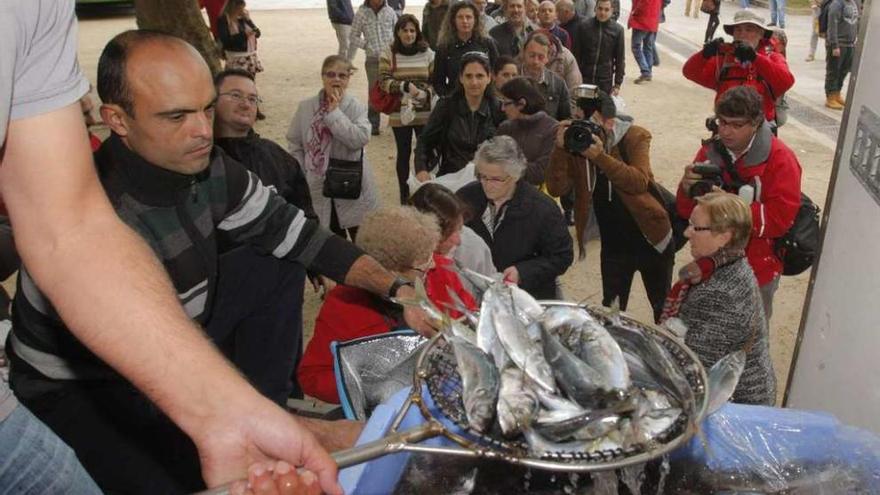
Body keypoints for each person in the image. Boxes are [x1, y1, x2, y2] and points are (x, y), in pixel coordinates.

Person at [9, 30, 433, 494]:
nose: (203, 130)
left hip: (180, 326)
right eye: (176, 115)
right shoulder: (93, 213)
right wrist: (317, 434)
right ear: (117, 120)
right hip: (88, 385)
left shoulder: (210, 166)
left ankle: (269, 405)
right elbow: (155, 375)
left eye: (207, 108)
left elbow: (304, 236)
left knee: (276, 258)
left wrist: (399, 290)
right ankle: (270, 425)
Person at [546, 89, 673, 321]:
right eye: (579, 121)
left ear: (610, 121)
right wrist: (560, 149)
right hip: (615, 247)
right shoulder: (576, 145)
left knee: (662, 309)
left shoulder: (635, 136)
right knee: (612, 313)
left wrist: (600, 157)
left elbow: (639, 182)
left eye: (591, 123)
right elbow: (557, 189)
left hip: (652, 239)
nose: (585, 129)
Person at [676, 86, 801, 321]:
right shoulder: (709, 152)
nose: (726, 132)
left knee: (747, 339)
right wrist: (685, 188)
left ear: (755, 124)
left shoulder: (781, 159)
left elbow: (780, 221)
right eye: (722, 122)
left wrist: (727, 207)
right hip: (709, 262)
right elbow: (685, 211)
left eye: (736, 125)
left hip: (756, 268)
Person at [298, 206, 441, 404]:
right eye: (423, 263)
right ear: (391, 272)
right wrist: (371, 388)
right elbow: (312, 377)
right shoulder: (344, 307)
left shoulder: (434, 275)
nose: (432, 265)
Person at [661, 192, 777, 405]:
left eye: (696, 227)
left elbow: (694, 372)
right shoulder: (729, 264)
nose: (687, 233)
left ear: (724, 237)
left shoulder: (719, 294)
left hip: (736, 408)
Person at [458, 136, 573, 299]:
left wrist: (523, 272)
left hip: (526, 296)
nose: (488, 184)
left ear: (515, 175)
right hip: (477, 293)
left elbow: (562, 256)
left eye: (497, 179)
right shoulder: (465, 197)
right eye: (483, 176)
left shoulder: (543, 209)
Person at [287, 56, 380, 242]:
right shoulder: (306, 107)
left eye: (342, 75)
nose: (336, 79)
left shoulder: (355, 107)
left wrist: (334, 114)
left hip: (351, 185)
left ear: (348, 79)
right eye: (331, 74)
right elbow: (294, 142)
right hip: (318, 185)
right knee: (331, 243)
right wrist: (303, 170)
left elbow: (360, 138)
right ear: (323, 77)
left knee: (361, 244)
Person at [214, 69, 313, 214]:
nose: (246, 104)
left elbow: (306, 218)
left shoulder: (278, 158)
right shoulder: (198, 160)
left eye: (252, 99)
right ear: (212, 100)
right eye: (236, 95)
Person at [683, 9, 795, 125]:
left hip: (759, 126)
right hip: (727, 125)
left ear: (761, 33)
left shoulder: (773, 57)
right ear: (732, 33)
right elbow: (689, 72)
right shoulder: (724, 58)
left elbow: (786, 81)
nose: (742, 34)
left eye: (749, 29)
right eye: (738, 29)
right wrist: (703, 55)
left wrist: (755, 58)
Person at [416, 52, 504, 180]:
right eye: (469, 76)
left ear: (489, 78)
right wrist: (421, 169)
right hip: (451, 178)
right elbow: (424, 141)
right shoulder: (446, 107)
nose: (474, 82)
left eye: (480, 76)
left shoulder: (499, 109)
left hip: (488, 180)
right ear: (461, 78)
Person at [380, 15, 436, 204]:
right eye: (405, 30)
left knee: (424, 152)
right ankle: (404, 196)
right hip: (400, 112)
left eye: (412, 30)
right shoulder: (389, 52)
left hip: (424, 113)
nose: (409, 34)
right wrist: (405, 87)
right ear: (398, 32)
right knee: (403, 153)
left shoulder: (427, 52)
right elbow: (383, 82)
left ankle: (424, 193)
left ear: (417, 32)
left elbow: (435, 81)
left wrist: (425, 93)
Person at [409, 184, 479, 317]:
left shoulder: (444, 267)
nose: (458, 241)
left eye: (460, 229)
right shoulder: (395, 279)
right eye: (452, 232)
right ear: (431, 233)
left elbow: (470, 310)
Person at [496, 77, 559, 186]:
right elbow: (493, 160)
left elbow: (540, 173)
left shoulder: (553, 130)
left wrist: (506, 165)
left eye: (506, 103)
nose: (502, 109)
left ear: (521, 103)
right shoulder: (505, 128)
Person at [347, 0, 397, 135]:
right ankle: (373, 124)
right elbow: (353, 36)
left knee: (394, 88)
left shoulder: (390, 12)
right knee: (374, 90)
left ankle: (396, 121)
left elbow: (397, 32)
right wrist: (367, 45)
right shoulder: (361, 13)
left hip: (391, 58)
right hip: (373, 60)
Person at [432, 1, 500, 96]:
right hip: (455, 101)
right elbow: (438, 82)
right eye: (460, 17)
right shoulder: (444, 48)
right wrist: (449, 99)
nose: (465, 21)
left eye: (468, 17)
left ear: (475, 20)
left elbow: (497, 73)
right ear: (453, 20)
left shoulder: (487, 44)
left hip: (485, 100)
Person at [570, 0, 625, 95]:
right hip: (584, 78)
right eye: (600, 9)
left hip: (604, 81)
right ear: (595, 9)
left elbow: (620, 59)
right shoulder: (583, 26)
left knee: (601, 109)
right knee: (583, 108)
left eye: (606, 10)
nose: (602, 12)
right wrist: (575, 77)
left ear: (612, 11)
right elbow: (576, 54)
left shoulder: (618, 30)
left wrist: (617, 84)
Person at [520, 31, 572, 120]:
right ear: (523, 53)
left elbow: (565, 119)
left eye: (541, 57)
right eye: (532, 55)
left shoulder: (558, 84)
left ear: (547, 57)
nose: (535, 61)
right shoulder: (512, 78)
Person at [824, 0, 859, 110]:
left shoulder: (854, 2)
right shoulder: (836, 4)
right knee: (834, 71)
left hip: (850, 44)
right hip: (839, 44)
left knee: (843, 71)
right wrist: (834, 45)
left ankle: (837, 93)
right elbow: (832, 26)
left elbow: (857, 22)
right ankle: (830, 96)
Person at [217, 0, 263, 76]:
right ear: (233, 8)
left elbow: (258, 33)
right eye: (240, 9)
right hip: (235, 57)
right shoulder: (224, 19)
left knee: (250, 83)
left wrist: (249, 20)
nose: (242, 11)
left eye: (243, 8)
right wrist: (244, 35)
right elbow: (226, 41)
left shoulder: (243, 19)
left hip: (250, 56)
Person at [628, 0, 661, 84]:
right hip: (653, 16)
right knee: (648, 46)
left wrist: (635, 12)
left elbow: (643, 2)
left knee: (636, 46)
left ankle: (645, 70)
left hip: (642, 18)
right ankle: (648, 72)